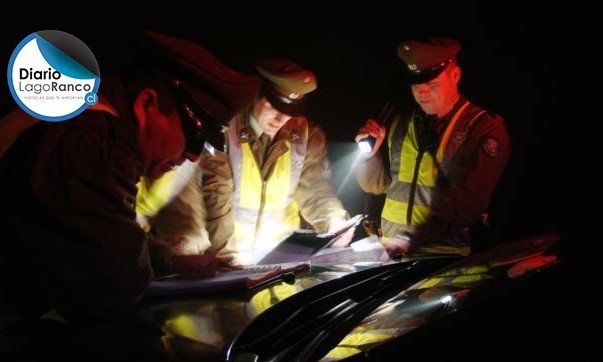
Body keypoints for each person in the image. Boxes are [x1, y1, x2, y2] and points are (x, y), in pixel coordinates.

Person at [0, 30, 260, 327]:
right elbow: (116, 285)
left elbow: (101, 235)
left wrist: (171, 261)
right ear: (146, 105)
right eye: (192, 136)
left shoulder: (90, 122)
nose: (192, 156)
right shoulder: (93, 144)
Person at [154, 57, 353, 265]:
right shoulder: (225, 127)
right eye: (275, 107)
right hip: (232, 259)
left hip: (281, 266)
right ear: (256, 94)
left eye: (290, 111)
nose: (281, 118)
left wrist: (334, 223)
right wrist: (228, 256)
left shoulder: (307, 135)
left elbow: (317, 190)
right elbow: (216, 193)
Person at [354, 37, 511, 258]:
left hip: (443, 259)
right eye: (417, 84)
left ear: (455, 76)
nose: (423, 92)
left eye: (432, 84)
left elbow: (466, 207)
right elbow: (375, 185)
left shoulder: (483, 129)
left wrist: (410, 241)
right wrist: (369, 157)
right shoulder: (400, 121)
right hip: (391, 254)